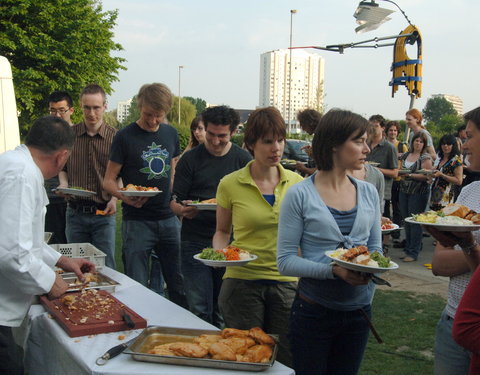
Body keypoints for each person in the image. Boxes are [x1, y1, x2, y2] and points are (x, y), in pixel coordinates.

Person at [277, 109, 382, 375]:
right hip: (313, 313)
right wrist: (333, 270)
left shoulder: (368, 192)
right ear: (334, 143)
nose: (367, 149)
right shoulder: (300, 194)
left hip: (359, 313)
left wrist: (369, 269)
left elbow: (376, 250)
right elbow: (285, 261)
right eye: (359, 141)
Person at [0, 116, 95, 375]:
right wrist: (51, 283)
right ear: (62, 156)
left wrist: (63, 261)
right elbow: (12, 254)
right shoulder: (21, 175)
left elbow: (26, 239)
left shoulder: (18, 165)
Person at [213, 107, 303, 366]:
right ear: (251, 144)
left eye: (280, 139)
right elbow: (222, 232)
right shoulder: (230, 183)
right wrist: (221, 254)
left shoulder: (298, 184)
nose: (276, 148)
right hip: (242, 282)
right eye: (267, 141)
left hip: (286, 281)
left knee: (287, 358)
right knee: (246, 356)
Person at [103, 83, 187, 308]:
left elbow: (172, 171)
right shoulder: (125, 136)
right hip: (137, 221)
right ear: (140, 107)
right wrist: (123, 197)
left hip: (168, 219)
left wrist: (175, 198)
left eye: (158, 116)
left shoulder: (170, 134)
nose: (152, 121)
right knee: (136, 286)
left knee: (179, 283)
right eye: (148, 114)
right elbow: (109, 180)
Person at [171, 105, 252, 326]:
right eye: (211, 135)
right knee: (199, 308)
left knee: (224, 308)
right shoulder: (190, 159)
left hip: (231, 242)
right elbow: (174, 201)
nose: (215, 141)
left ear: (234, 132)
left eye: (222, 136)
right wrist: (183, 210)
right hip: (194, 240)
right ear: (204, 129)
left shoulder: (243, 160)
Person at [424, 107, 480, 375]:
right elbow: (438, 263)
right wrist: (472, 251)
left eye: (468, 137)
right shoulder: (468, 192)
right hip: (451, 321)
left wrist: (468, 245)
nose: (463, 145)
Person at [58, 84, 118, 268]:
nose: (91, 113)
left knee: (106, 267)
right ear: (81, 106)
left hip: (103, 213)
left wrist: (114, 199)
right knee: (77, 268)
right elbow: (62, 167)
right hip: (75, 213)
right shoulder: (69, 135)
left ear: (105, 106)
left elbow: (121, 174)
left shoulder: (116, 138)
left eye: (96, 107)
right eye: (87, 107)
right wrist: (63, 184)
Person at [44, 91, 75, 244]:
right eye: (52, 110)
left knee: (73, 246)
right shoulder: (44, 136)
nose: (57, 115)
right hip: (50, 198)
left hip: (73, 200)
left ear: (71, 110)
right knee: (52, 246)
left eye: (61, 110)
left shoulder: (78, 136)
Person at [398, 132, 433, 262]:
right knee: (406, 220)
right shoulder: (407, 155)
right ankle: (407, 249)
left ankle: (413, 252)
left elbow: (427, 176)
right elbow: (400, 169)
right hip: (404, 190)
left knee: (414, 222)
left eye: (421, 141)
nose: (418, 143)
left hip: (418, 193)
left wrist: (410, 175)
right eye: (416, 141)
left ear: (424, 144)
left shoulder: (425, 157)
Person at [366, 115, 399, 217]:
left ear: (383, 128)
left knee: (381, 225)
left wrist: (375, 169)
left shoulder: (389, 147)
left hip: (381, 193)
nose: (372, 129)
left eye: (375, 126)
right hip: (365, 190)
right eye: (370, 126)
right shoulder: (365, 144)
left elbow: (395, 173)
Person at [385, 121, 408, 240]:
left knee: (396, 207)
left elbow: (406, 161)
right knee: (385, 208)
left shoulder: (401, 145)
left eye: (395, 130)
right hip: (386, 179)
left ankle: (396, 232)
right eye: (390, 130)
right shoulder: (383, 145)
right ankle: (387, 232)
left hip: (398, 179)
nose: (393, 132)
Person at [430, 134, 463, 211]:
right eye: (443, 144)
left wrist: (442, 175)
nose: (445, 146)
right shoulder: (441, 158)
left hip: (446, 197)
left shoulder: (456, 161)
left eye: (448, 144)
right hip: (435, 195)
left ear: (453, 146)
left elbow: (459, 181)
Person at [295, 108, 321, 176]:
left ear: (310, 123)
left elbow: (322, 172)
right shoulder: (319, 136)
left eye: (302, 125)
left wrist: (304, 169)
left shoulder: (322, 138)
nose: (302, 128)